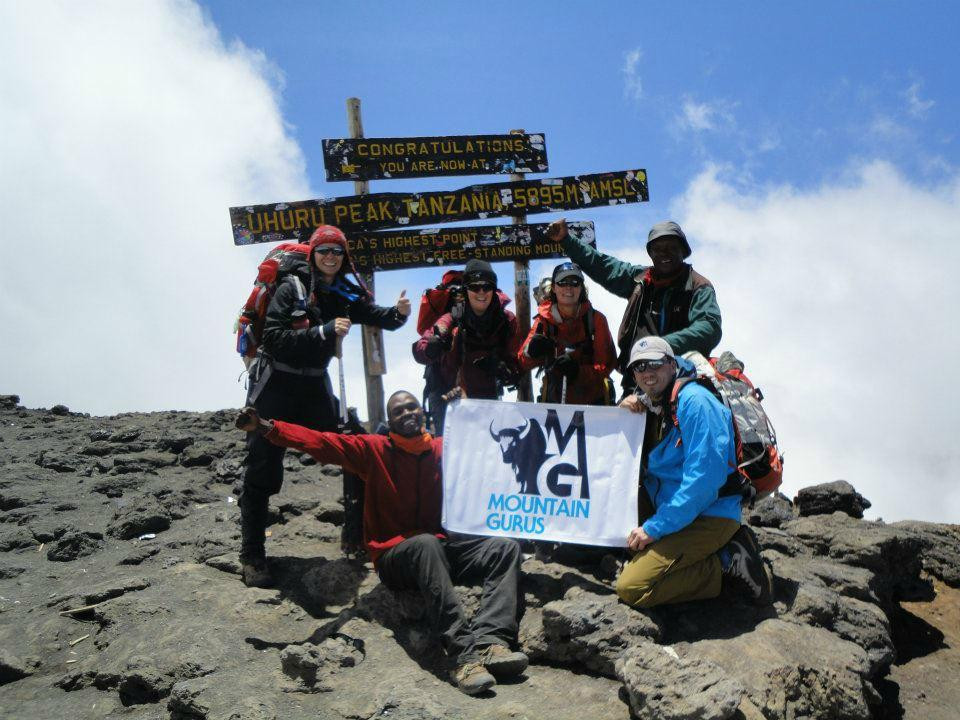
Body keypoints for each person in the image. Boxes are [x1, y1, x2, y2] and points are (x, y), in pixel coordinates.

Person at [235, 391, 529, 696]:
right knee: (425, 544)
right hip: (394, 558)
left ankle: (491, 641)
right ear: (390, 421)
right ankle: (463, 658)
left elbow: (485, 445)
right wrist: (266, 427)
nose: (407, 413)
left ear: (422, 412)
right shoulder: (372, 449)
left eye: (412, 407)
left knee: (504, 548)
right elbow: (321, 442)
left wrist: (465, 405)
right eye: (398, 411)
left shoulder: (443, 449)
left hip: (438, 552)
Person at [240, 224, 411, 588]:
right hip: (277, 385)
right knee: (262, 468)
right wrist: (323, 331)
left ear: (344, 256)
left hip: (314, 386)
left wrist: (397, 314)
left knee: (356, 449)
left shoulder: (341, 292)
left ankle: (355, 537)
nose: (330, 257)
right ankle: (252, 556)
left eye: (336, 251)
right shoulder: (292, 288)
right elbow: (274, 338)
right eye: (324, 251)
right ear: (313, 254)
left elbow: (372, 314)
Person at [614, 336, 772, 609]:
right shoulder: (655, 403)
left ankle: (727, 564)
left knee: (632, 587)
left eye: (654, 363)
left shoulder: (696, 402)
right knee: (620, 537)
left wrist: (654, 528)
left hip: (710, 514)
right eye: (639, 367)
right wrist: (624, 415)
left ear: (671, 364)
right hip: (676, 509)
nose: (647, 372)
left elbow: (704, 481)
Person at [546, 218, 722, 395]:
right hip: (636, 383)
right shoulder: (639, 279)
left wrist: (661, 346)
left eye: (671, 247)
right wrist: (566, 239)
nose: (664, 253)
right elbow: (602, 265)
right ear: (650, 254)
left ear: (683, 250)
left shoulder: (698, 286)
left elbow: (709, 327)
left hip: (680, 383)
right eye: (658, 249)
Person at [413, 259, 523, 424]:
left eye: (487, 287)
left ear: (494, 289)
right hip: (449, 396)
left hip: (487, 397)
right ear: (466, 289)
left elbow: (516, 359)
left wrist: (505, 370)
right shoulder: (451, 318)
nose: (481, 292)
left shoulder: (507, 320)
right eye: (474, 287)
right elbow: (422, 347)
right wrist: (431, 347)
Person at [518, 262, 616, 405]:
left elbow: (606, 365)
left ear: (581, 288)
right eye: (562, 282)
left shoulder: (596, 320)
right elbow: (522, 361)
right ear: (554, 288)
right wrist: (532, 352)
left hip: (594, 402)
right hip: (554, 400)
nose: (568, 287)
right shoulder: (543, 321)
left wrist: (578, 372)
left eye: (574, 282)